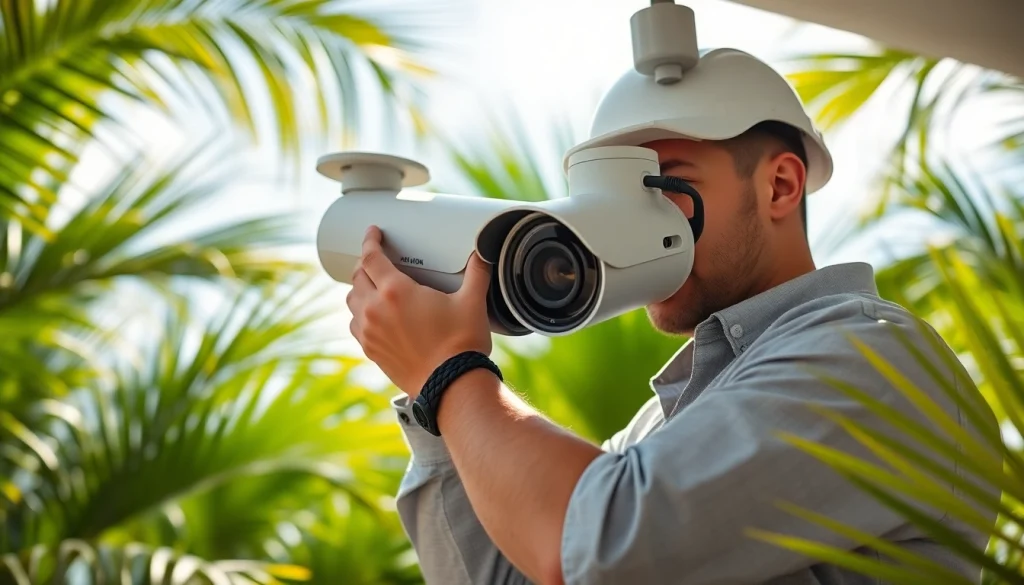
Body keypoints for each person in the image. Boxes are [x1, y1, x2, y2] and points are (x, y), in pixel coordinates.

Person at [343, 47, 997, 584]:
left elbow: (600, 549)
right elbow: (507, 573)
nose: (629, 227)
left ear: (780, 186)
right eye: (613, 200)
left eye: (664, 187)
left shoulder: (873, 358)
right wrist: (434, 394)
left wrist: (451, 370)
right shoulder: (661, 421)